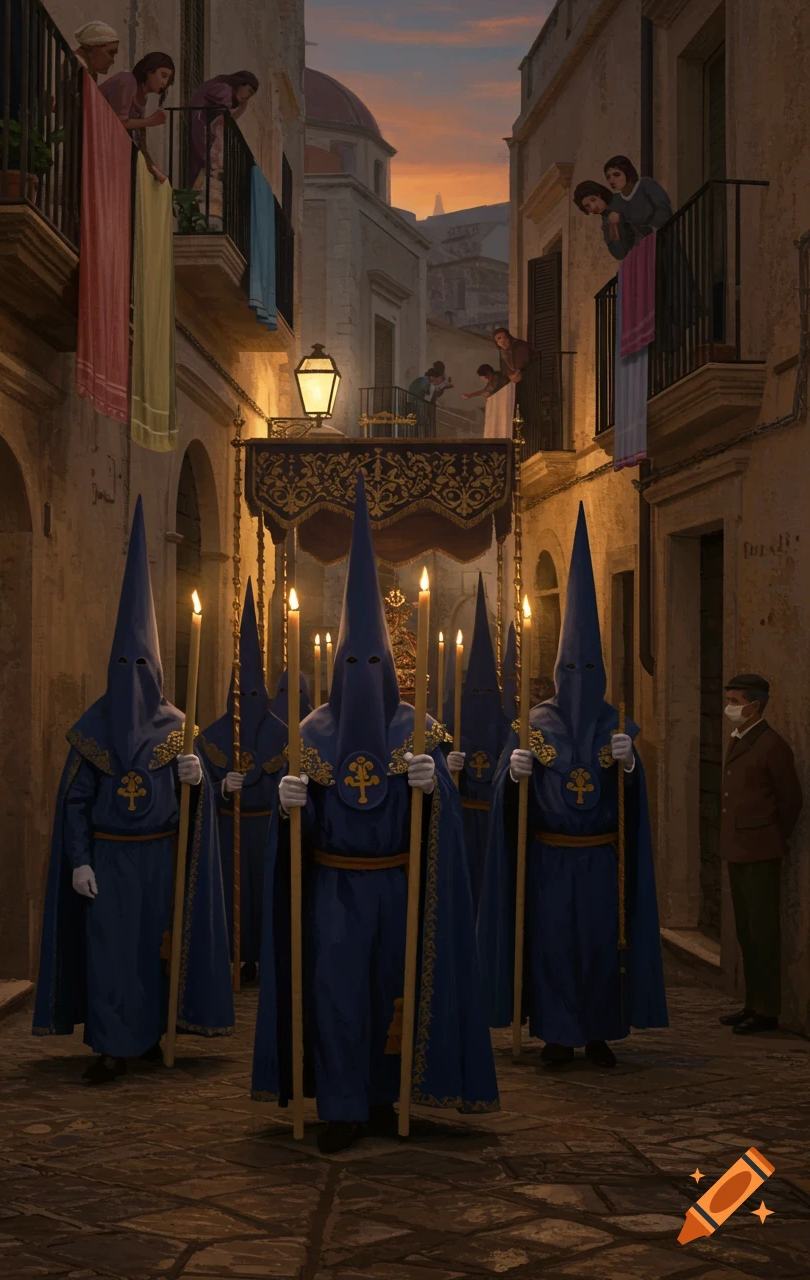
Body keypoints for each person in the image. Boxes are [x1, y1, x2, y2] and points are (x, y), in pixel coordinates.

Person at [252, 475, 499, 1154]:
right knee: (335, 997)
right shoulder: (312, 732)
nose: (362, 671)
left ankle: (390, 1097)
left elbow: (443, 834)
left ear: (389, 666)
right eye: (351, 660)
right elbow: (293, 838)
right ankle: (339, 1105)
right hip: (333, 889)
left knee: (398, 992)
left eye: (373, 660)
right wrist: (288, 807)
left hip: (398, 884)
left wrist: (436, 788)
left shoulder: (419, 731)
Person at [32, 497, 233, 1082]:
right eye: (122, 663)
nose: (131, 675)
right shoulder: (92, 731)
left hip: (162, 859)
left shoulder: (179, 730)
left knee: (154, 953)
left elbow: (200, 807)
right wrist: (78, 861)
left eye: (140, 663)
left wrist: (202, 781)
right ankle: (110, 1043)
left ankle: (150, 1034)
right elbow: (73, 800)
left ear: (157, 668)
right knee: (110, 953)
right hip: (110, 859)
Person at [478, 503, 668, 1068]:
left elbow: (634, 810)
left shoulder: (618, 726)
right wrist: (511, 782)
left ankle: (600, 1030)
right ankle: (557, 1032)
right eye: (572, 671)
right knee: (554, 947)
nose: (580, 681)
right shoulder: (532, 726)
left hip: (602, 862)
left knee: (599, 947)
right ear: (558, 671)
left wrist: (631, 767)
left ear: (602, 672)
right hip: (550, 862)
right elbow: (506, 809)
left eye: (590, 671)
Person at [199, 581, 287, 986]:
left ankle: (263, 957)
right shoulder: (212, 737)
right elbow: (193, 793)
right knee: (231, 894)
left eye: (255, 692)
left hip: (267, 828)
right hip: (227, 830)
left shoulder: (284, 735)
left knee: (265, 894)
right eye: (242, 692)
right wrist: (219, 788)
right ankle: (230, 956)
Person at [718, 675, 802, 1036]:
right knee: (747, 931)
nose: (730, 707)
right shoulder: (741, 739)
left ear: (754, 706)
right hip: (739, 848)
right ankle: (752, 1003)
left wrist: (769, 835)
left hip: (760, 849)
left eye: (735, 700)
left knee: (762, 931)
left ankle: (767, 1010)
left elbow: (790, 801)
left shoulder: (771, 745)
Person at [444, 576, 510, 914]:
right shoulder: (453, 730)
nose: (482, 700)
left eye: (489, 693)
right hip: (462, 820)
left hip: (495, 823)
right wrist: (446, 765)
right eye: (476, 693)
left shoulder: (506, 730)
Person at [187, 70, 259, 220]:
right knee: (202, 166)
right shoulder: (225, 90)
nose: (247, 96)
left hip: (201, 127)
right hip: (199, 125)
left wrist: (242, 106)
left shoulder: (223, 90)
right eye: (249, 91)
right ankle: (191, 205)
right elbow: (225, 119)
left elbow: (227, 119)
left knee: (200, 169)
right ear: (241, 83)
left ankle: (191, 204)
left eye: (251, 95)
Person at [100, 52, 175, 183]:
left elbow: (141, 142)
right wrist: (151, 121)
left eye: (168, 79)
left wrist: (153, 169)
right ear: (149, 70)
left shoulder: (142, 97)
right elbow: (117, 122)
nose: (164, 83)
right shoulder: (127, 81)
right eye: (163, 75)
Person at [603, 154, 672, 244]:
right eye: (608, 177)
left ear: (627, 173)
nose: (611, 181)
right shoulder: (617, 202)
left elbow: (664, 211)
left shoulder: (646, 185)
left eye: (616, 175)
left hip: (662, 241)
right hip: (639, 248)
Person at [573, 179, 634, 261]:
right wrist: (613, 226)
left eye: (593, 200)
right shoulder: (606, 221)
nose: (593, 207)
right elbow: (619, 254)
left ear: (599, 195)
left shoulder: (623, 200)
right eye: (587, 206)